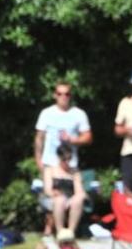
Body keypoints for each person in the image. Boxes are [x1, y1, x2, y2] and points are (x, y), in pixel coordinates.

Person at [34, 80, 92, 236]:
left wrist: (72, 140)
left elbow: (88, 137)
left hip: (70, 164)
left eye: (67, 94)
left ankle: (68, 231)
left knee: (70, 196)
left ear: (71, 96)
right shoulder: (46, 113)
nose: (63, 97)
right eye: (60, 93)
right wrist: (38, 159)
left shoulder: (78, 114)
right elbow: (39, 138)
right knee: (53, 195)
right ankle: (50, 228)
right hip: (50, 162)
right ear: (55, 95)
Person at [41, 143, 87, 235]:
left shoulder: (74, 172)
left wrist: (72, 199)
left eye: (69, 159)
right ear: (59, 157)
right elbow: (47, 190)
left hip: (70, 198)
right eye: (64, 159)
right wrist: (55, 194)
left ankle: (71, 232)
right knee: (60, 200)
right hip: (53, 198)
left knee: (78, 200)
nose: (67, 162)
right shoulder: (50, 170)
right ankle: (60, 232)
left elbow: (79, 191)